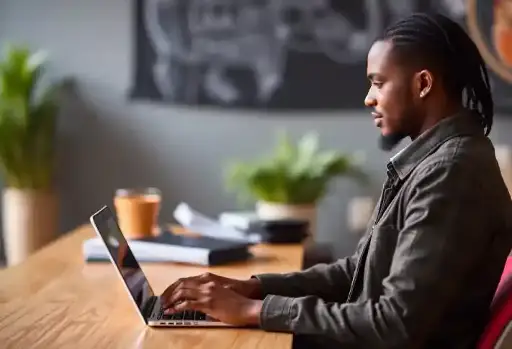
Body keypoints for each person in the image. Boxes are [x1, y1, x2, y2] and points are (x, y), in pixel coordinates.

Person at [161, 12, 512, 348]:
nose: (368, 98)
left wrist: (255, 311)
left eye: (378, 83)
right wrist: (252, 289)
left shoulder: (451, 171)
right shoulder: (436, 163)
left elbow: (395, 324)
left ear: (422, 83)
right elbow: (357, 272)